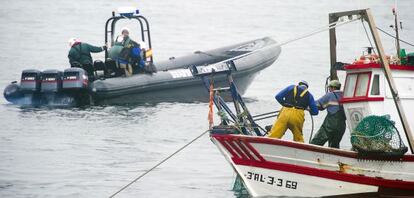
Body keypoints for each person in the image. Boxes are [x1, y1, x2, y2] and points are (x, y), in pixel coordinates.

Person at [310, 80, 346, 148]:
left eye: (329, 88)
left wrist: (308, 104)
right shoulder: (345, 95)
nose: (329, 89)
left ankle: (308, 155)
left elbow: (318, 104)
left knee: (316, 142)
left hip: (330, 125)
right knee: (334, 146)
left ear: (333, 88)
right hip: (341, 126)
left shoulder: (330, 95)